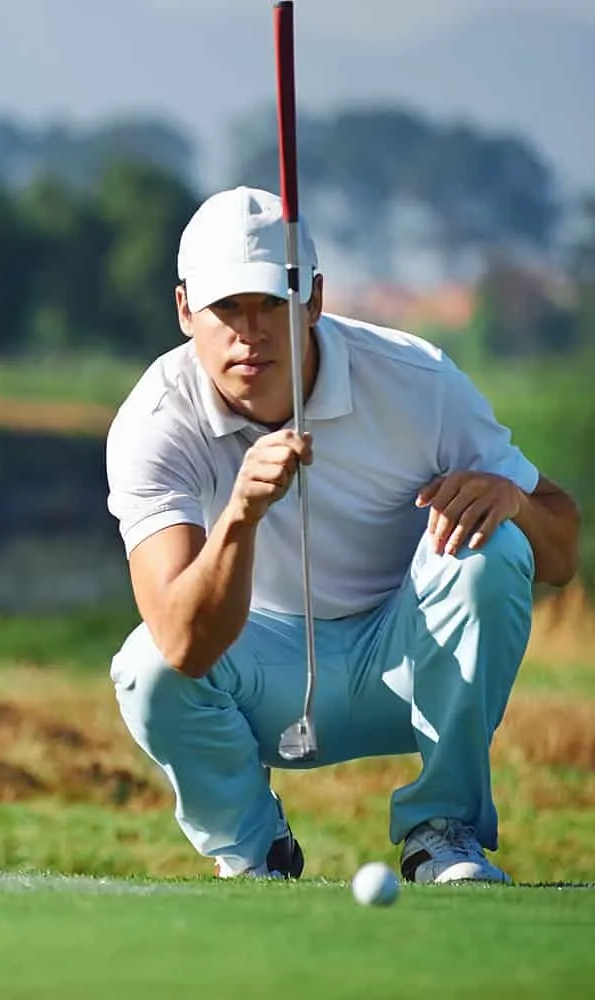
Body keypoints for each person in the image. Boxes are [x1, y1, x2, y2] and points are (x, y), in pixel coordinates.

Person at [104, 185, 581, 883]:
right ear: (184, 311)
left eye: (272, 303)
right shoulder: (154, 420)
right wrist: (239, 515)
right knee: (146, 667)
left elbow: (563, 553)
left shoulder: (417, 380)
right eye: (225, 307)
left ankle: (442, 830)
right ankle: (255, 849)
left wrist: (512, 500)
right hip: (259, 679)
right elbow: (183, 644)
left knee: (495, 549)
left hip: (411, 661)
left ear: (315, 300)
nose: (250, 331)